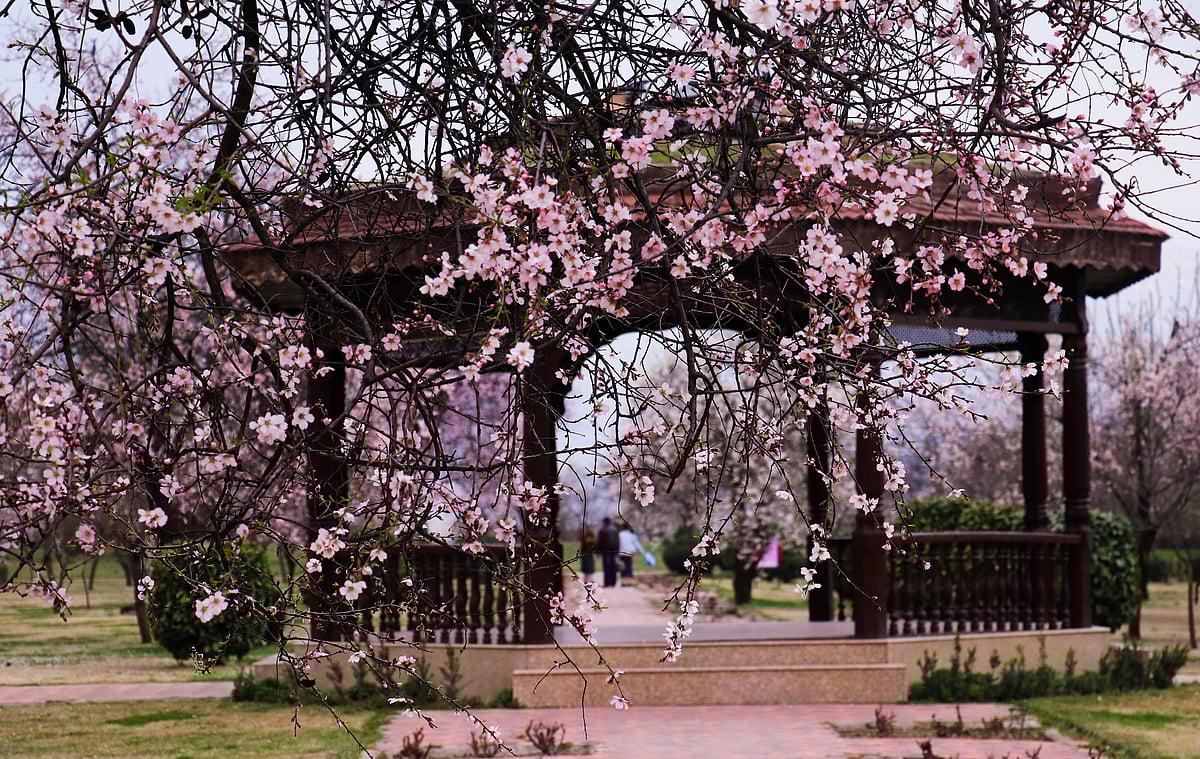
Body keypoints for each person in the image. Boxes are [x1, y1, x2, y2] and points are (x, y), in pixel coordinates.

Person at [597, 517, 620, 587]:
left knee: (606, 567)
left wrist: (598, 551)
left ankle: (607, 582)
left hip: (605, 551)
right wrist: (617, 550)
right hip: (613, 550)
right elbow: (618, 541)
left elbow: (600, 542)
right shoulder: (615, 529)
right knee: (613, 566)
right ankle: (613, 582)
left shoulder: (602, 530)